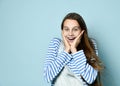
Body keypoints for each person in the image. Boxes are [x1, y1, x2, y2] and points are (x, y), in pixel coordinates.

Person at [44, 12, 104, 86]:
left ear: (82, 31)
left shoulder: (91, 44)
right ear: (62, 31)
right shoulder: (55, 44)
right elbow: (47, 76)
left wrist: (74, 50)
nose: (70, 34)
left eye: (75, 29)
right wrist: (66, 50)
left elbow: (90, 78)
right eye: (66, 29)